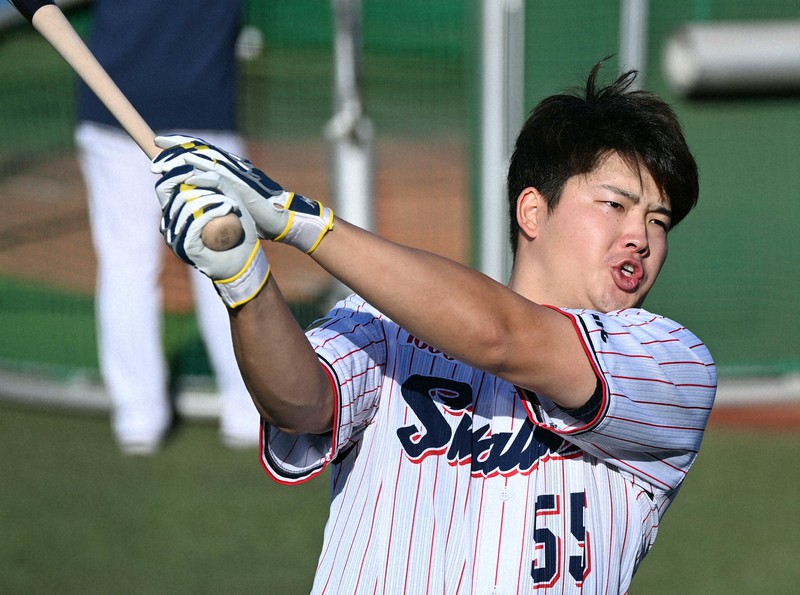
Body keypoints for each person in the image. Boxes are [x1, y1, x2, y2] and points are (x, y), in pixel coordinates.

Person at [149, 61, 717, 593]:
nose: (641, 237)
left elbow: (503, 337)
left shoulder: (671, 365)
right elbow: (298, 405)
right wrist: (245, 281)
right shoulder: (385, 322)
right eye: (615, 205)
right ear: (533, 212)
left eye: (658, 220)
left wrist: (300, 220)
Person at [74, 0, 260, 455]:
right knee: (228, 264)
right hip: (202, 107)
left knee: (127, 264)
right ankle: (249, 407)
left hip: (116, 103)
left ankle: (139, 416)